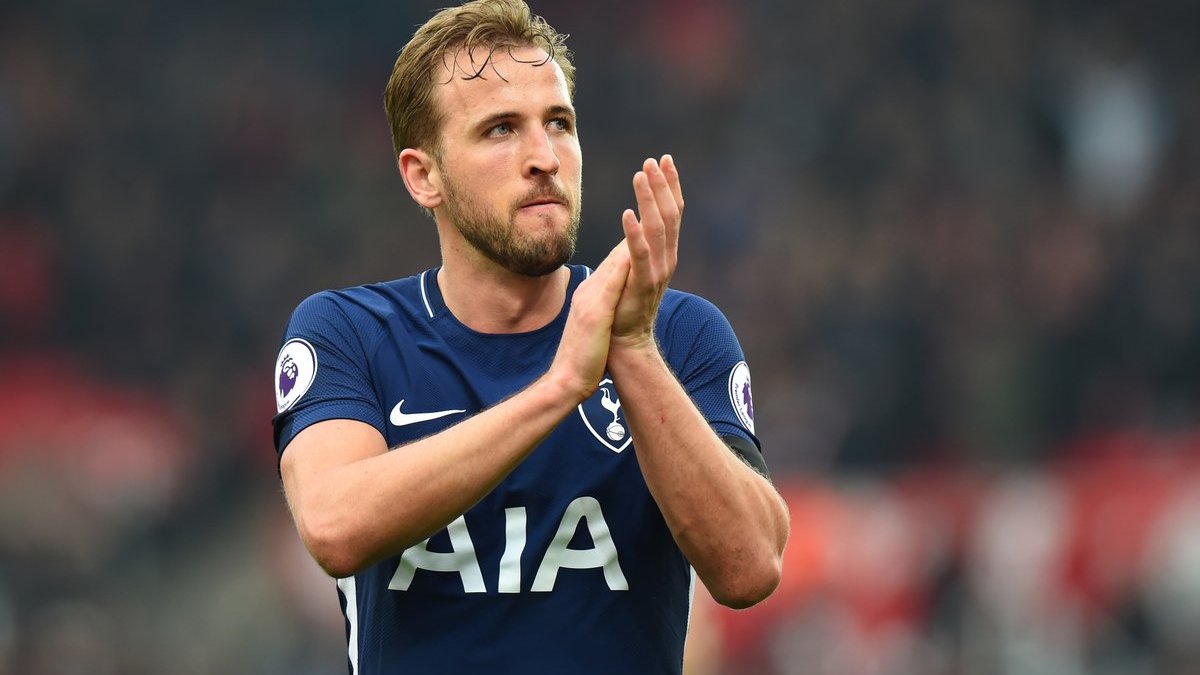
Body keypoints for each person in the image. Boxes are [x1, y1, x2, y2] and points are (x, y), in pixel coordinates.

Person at [271, 1, 789, 672]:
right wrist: (558, 388)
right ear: (424, 176)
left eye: (559, 124)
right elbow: (333, 527)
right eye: (500, 130)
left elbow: (751, 567)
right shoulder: (351, 333)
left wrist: (632, 350)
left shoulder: (677, 333)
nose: (544, 157)